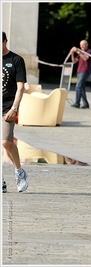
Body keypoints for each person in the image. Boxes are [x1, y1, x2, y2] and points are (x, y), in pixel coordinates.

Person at [2, 31, 29, 193]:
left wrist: (14, 108)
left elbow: (20, 88)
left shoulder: (16, 60)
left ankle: (19, 172)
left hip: (7, 108)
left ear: (4, 41)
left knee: (6, 142)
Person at [70, 40, 91, 109]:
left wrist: (78, 52)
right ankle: (86, 104)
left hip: (84, 71)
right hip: (79, 71)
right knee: (81, 88)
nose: (81, 46)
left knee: (78, 86)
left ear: (87, 45)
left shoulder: (89, 51)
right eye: (80, 45)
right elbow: (74, 61)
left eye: (83, 45)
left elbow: (85, 58)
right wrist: (72, 53)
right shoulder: (81, 53)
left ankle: (77, 103)